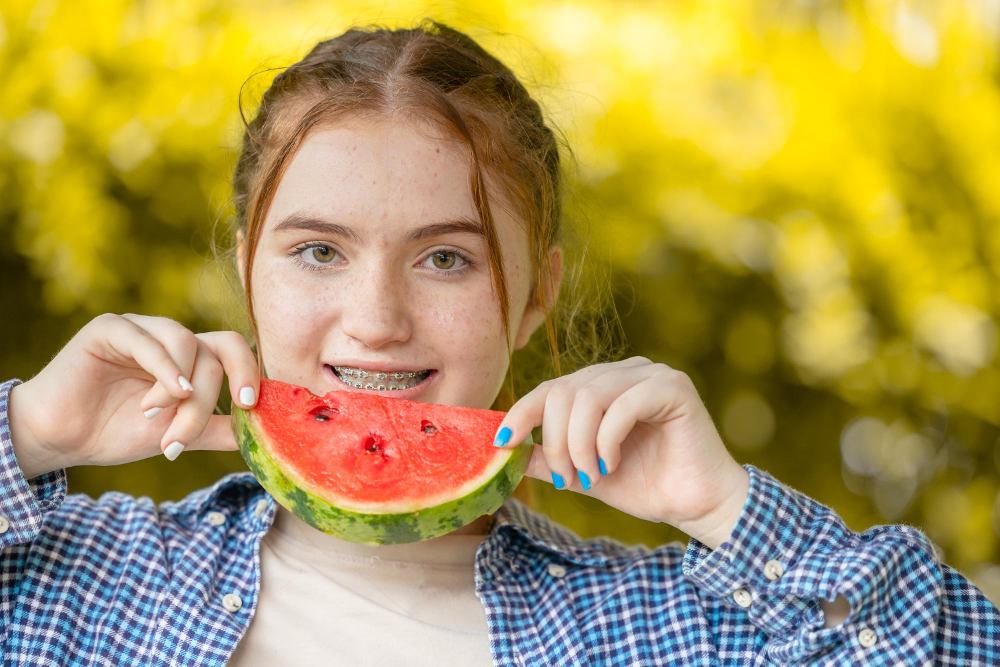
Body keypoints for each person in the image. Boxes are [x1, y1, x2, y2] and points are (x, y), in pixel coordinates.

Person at [1, 20, 997, 666]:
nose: (377, 318)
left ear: (533, 297)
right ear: (247, 266)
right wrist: (28, 433)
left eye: (445, 260)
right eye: (316, 251)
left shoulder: (665, 625)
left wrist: (724, 508)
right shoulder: (88, 576)